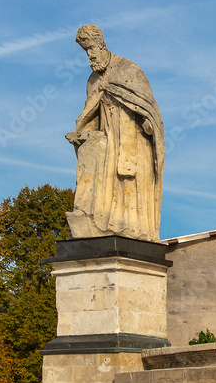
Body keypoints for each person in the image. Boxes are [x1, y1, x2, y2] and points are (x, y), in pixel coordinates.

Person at [65, 25, 164, 240]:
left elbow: (149, 111)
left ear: (102, 44)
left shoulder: (128, 70)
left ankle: (132, 231)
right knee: (91, 150)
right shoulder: (93, 81)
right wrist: (81, 134)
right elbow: (91, 119)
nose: (90, 55)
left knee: (128, 189)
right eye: (86, 51)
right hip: (108, 141)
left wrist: (148, 126)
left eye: (91, 48)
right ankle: (89, 220)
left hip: (133, 143)